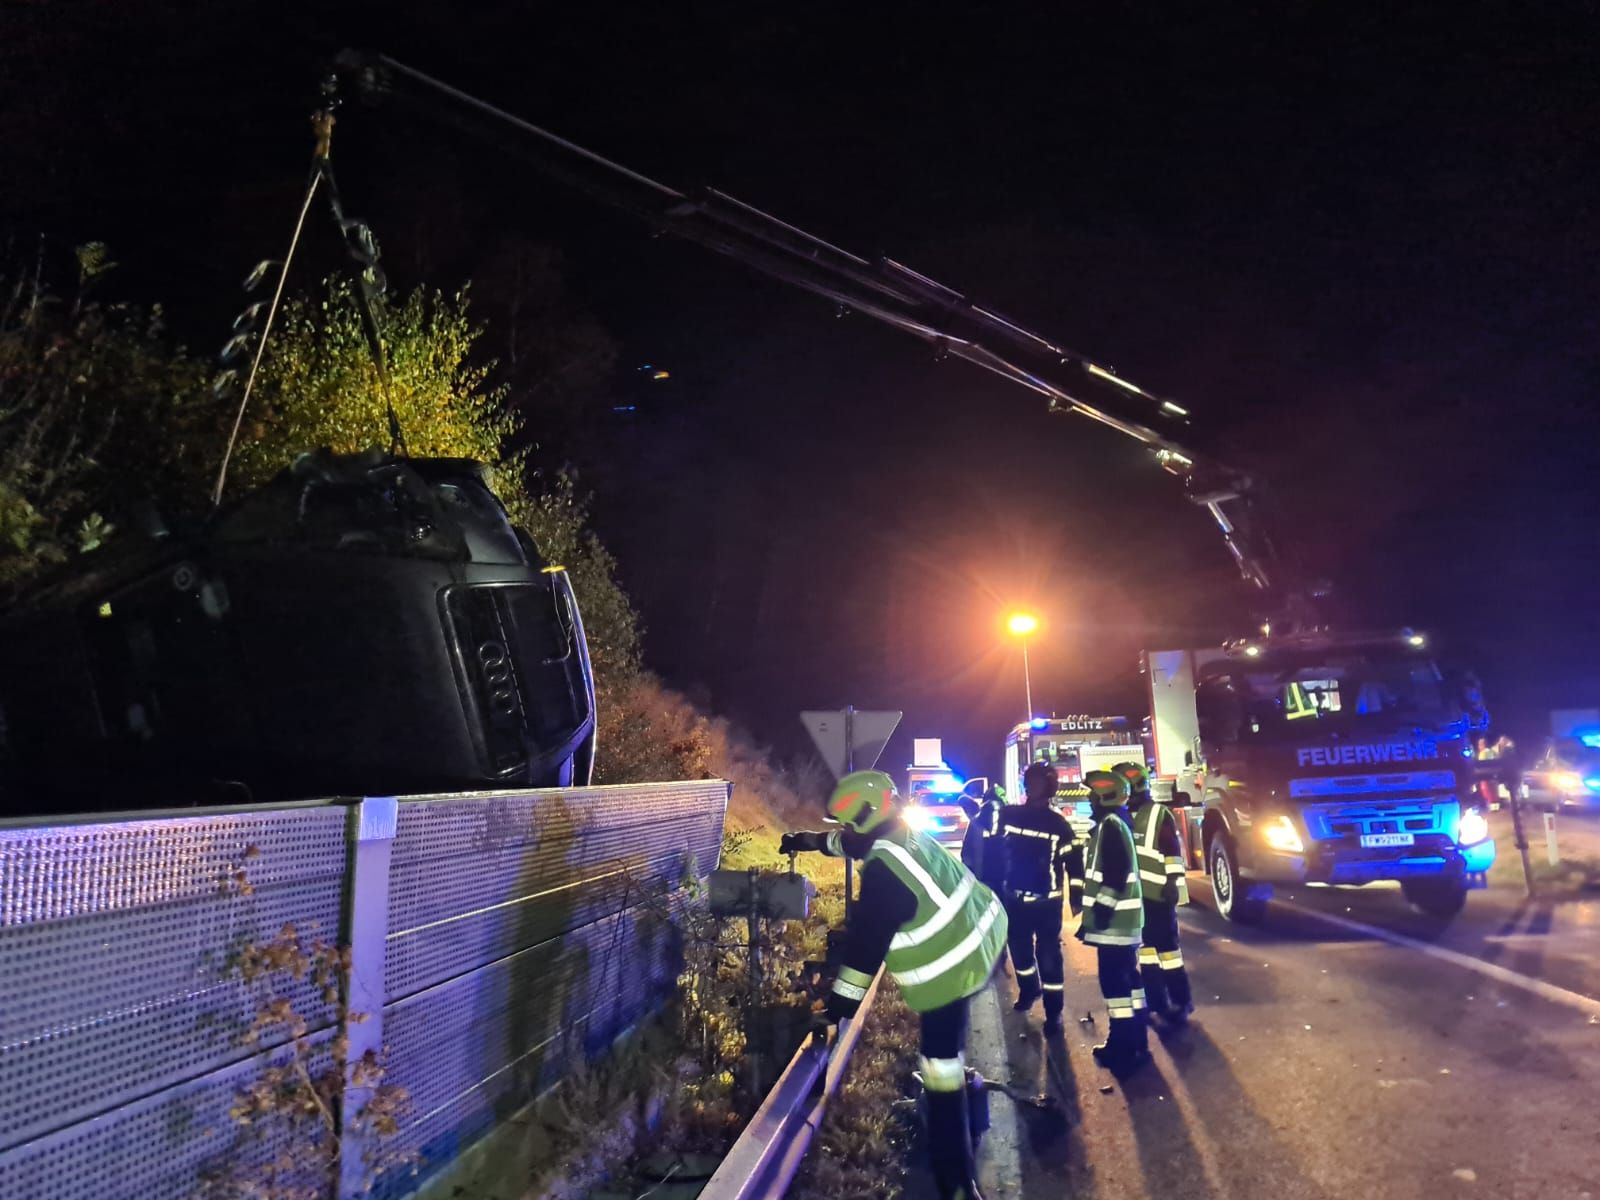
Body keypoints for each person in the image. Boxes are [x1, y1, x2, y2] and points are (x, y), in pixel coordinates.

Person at [781, 769, 1006, 1200]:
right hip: (986, 933)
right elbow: (849, 842)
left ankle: (956, 1181)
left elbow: (864, 952)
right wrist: (804, 840)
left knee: (942, 1072)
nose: (845, 830)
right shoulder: (901, 834)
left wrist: (836, 1010)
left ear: (866, 814)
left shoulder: (885, 873)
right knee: (945, 1061)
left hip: (955, 967)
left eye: (848, 820)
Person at [1077, 770, 1150, 1074]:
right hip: (1126, 925)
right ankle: (1137, 1042)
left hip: (1115, 927)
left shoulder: (1109, 826)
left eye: (1092, 795)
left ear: (1104, 797)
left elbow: (1115, 876)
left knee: (1115, 987)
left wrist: (1101, 914)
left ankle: (1121, 1049)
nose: (1089, 800)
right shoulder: (1118, 823)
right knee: (1130, 983)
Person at [995, 761, 1074, 1033]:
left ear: (1049, 786)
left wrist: (1077, 897)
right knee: (1020, 951)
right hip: (1015, 898)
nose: (1031, 785)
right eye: (1029, 780)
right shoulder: (1010, 814)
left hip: (1047, 903)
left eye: (1037, 781)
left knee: (1049, 956)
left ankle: (1054, 1014)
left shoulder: (1059, 825)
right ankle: (1029, 990)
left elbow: (1074, 862)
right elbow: (989, 836)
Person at [1114, 760, 1194, 1025]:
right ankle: (1157, 1002)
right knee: (1147, 954)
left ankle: (1181, 1002)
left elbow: (1172, 852)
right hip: (1136, 899)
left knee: (1169, 954)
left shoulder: (1159, 814)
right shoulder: (1123, 816)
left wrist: (1173, 882)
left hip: (1158, 897)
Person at [960, 782, 1009, 894]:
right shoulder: (1009, 820)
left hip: (983, 876)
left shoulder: (977, 821)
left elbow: (968, 852)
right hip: (1001, 878)